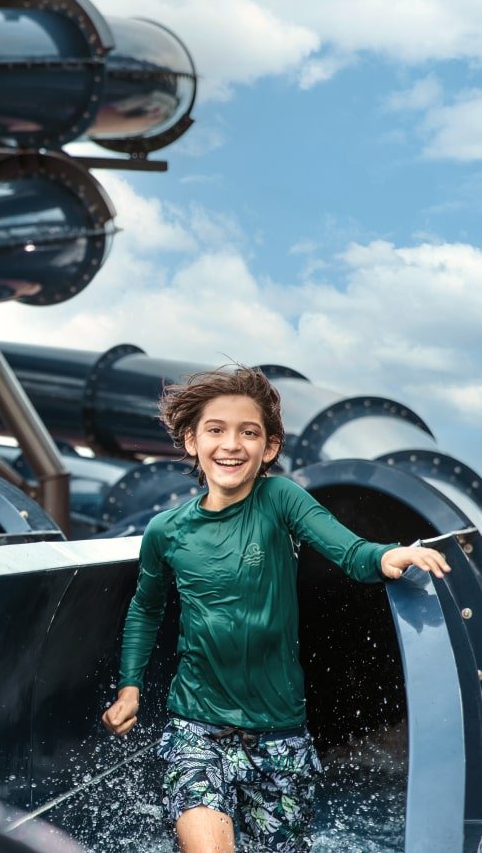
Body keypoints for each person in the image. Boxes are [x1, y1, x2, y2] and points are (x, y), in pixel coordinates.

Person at [99, 365, 449, 853]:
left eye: (249, 432)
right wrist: (130, 686)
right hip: (196, 726)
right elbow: (146, 609)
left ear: (270, 448)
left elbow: (349, 551)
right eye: (215, 430)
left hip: (279, 735)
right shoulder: (167, 530)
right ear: (191, 441)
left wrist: (389, 555)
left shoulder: (279, 500)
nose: (231, 444)